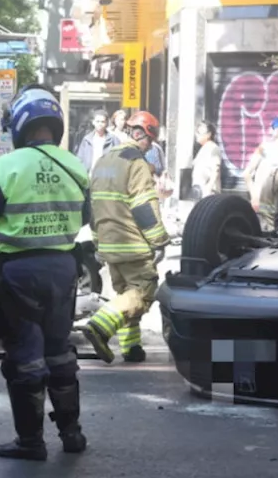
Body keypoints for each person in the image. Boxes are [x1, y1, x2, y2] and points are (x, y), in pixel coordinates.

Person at [0, 85, 91, 461]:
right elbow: (85, 216)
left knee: (24, 356)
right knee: (59, 351)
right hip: (64, 269)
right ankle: (71, 433)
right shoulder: (75, 166)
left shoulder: (7, 166)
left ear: (20, 126)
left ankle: (30, 441)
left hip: (19, 270)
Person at [81, 110, 170, 364]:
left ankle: (131, 349)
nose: (150, 146)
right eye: (150, 141)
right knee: (143, 291)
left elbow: (93, 206)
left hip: (108, 243)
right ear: (144, 135)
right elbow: (144, 208)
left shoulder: (104, 161)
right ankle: (99, 326)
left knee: (125, 297)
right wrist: (159, 240)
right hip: (132, 243)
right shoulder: (136, 163)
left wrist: (98, 241)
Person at [191, 121, 222, 198]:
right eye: (196, 131)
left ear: (209, 134)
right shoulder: (204, 148)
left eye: (199, 132)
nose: (196, 134)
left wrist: (209, 187)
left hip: (208, 192)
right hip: (201, 191)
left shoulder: (213, 148)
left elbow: (216, 169)